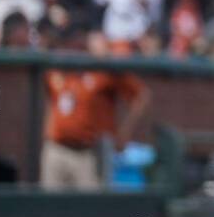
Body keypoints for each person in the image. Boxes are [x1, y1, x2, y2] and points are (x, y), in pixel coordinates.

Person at [40, 27, 151, 191]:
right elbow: (50, 101)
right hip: (56, 149)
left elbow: (141, 95)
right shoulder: (57, 68)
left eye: (80, 44)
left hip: (89, 152)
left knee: (90, 210)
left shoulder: (103, 69)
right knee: (48, 210)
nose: (75, 49)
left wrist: (124, 132)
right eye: (71, 43)